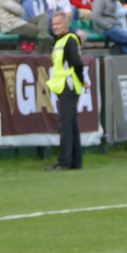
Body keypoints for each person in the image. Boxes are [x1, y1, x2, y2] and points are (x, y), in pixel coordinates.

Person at [46, 11, 87, 172]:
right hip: (66, 85)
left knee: (65, 125)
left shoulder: (69, 40)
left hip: (67, 85)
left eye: (58, 24)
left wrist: (81, 79)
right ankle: (76, 161)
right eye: (53, 24)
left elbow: (77, 63)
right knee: (72, 124)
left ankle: (64, 161)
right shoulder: (61, 40)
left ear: (66, 24)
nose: (55, 27)